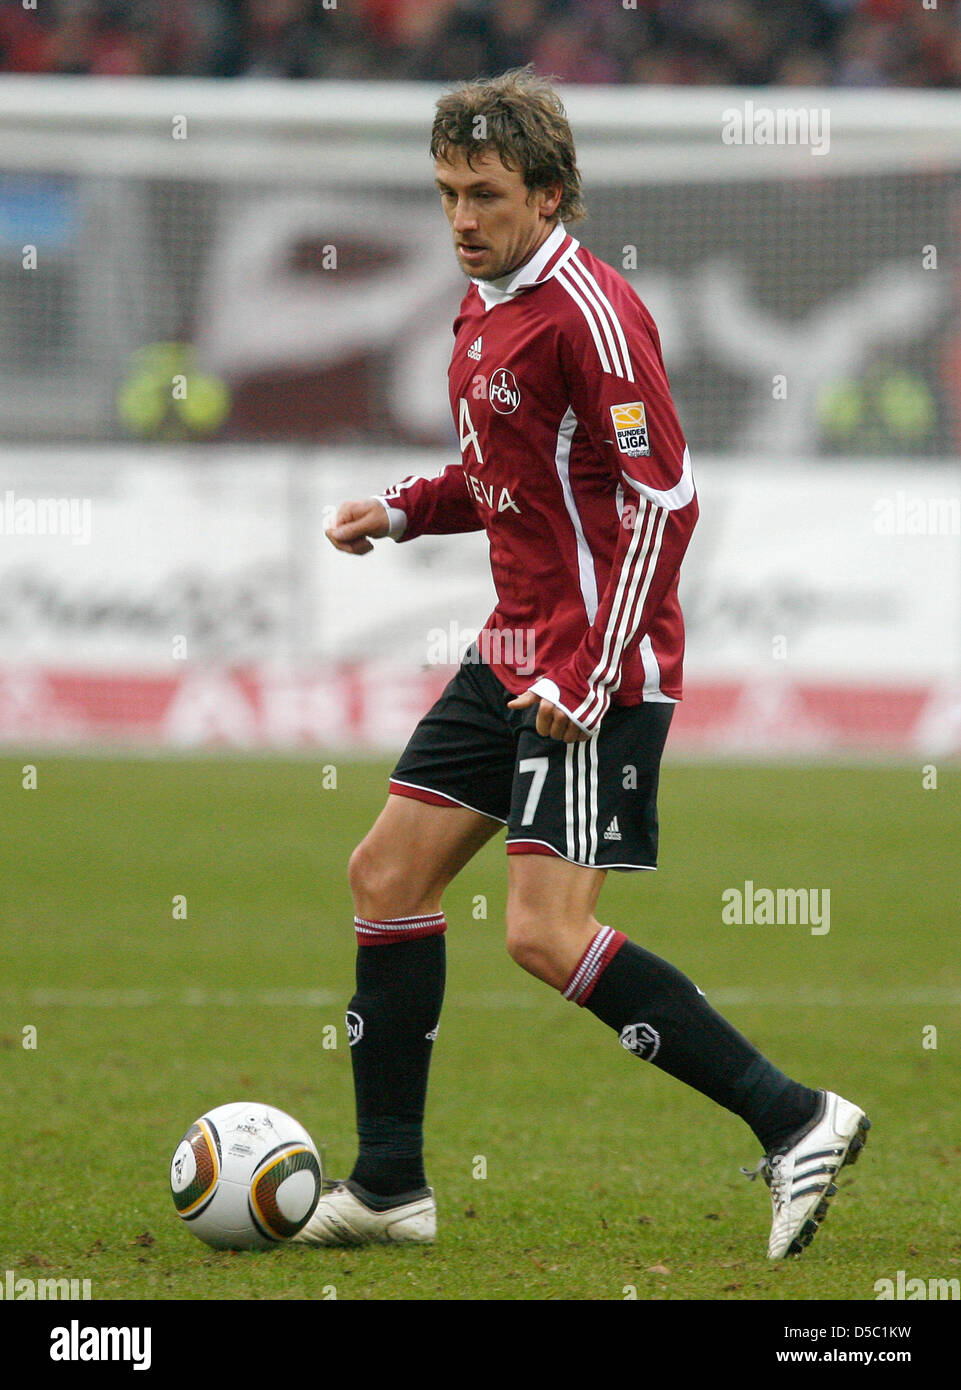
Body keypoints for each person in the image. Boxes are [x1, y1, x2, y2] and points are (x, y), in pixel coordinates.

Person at [294, 67, 869, 1260]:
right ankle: (391, 1186)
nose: (462, 217)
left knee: (542, 932)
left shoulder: (591, 316)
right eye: (448, 191)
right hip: (510, 648)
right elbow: (501, 472)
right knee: (386, 875)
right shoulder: (482, 300)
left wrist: (591, 674)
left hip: (593, 666)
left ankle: (797, 1117)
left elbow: (666, 497)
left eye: (487, 195)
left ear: (550, 195)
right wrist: (401, 512)